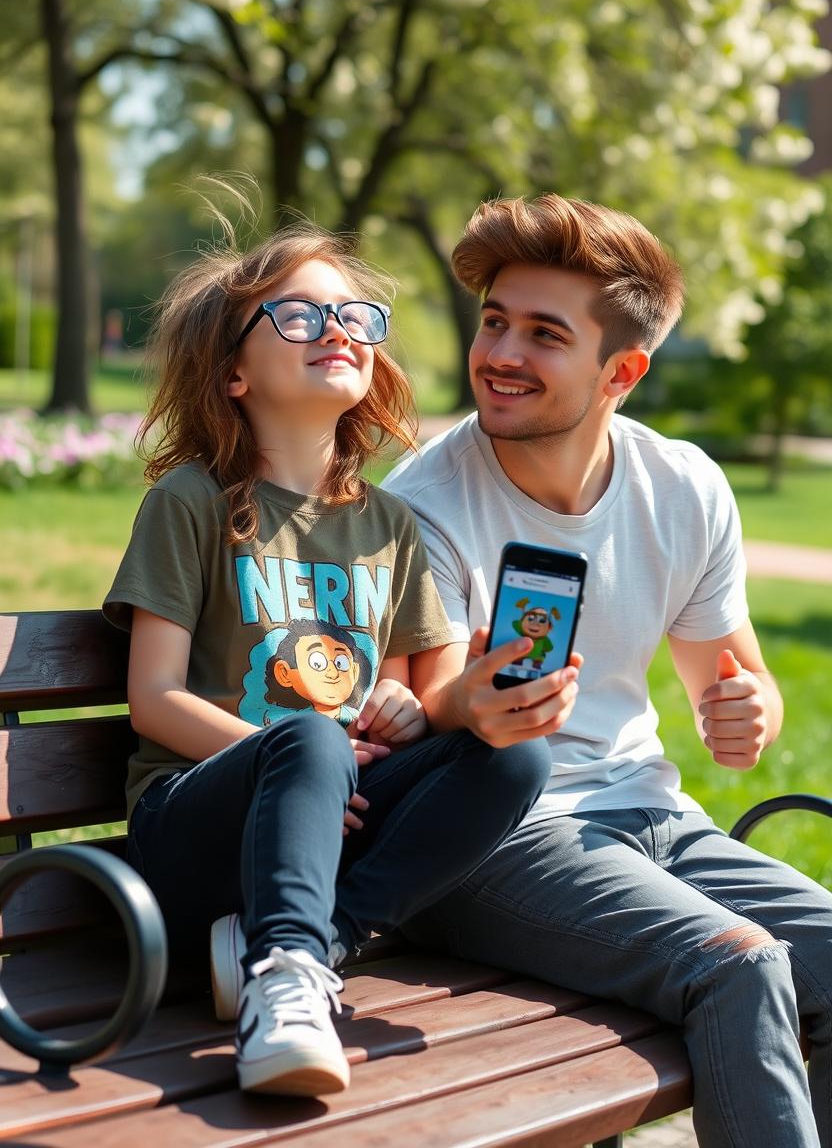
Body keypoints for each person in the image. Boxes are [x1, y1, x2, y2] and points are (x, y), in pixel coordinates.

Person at [383, 193, 832, 1148]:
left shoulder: (684, 487)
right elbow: (411, 707)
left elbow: (734, 674)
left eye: (544, 334)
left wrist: (750, 709)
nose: (500, 353)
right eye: (494, 321)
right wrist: (474, 703)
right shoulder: (419, 502)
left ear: (621, 369)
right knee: (740, 965)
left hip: (655, 815)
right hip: (491, 835)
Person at [102, 223, 551, 1099]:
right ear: (234, 373)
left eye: (354, 315)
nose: (338, 329)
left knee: (514, 758)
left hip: (331, 822)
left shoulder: (388, 525)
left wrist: (407, 704)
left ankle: (307, 948)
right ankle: (286, 994)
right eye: (301, 316)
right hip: (193, 829)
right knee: (308, 738)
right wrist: (294, 762)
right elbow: (154, 700)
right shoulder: (192, 501)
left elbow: (436, 694)